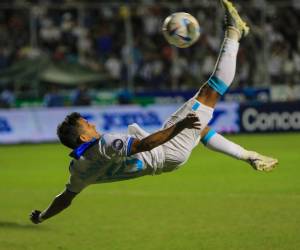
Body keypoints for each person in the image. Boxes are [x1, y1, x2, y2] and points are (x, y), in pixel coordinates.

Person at [30, 0, 278, 224]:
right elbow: (145, 145)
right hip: (164, 149)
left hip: (166, 160)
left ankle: (249, 156)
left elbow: (65, 198)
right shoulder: (106, 143)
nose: (92, 124)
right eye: (86, 124)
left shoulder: (78, 170)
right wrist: (178, 127)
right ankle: (233, 32)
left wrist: (42, 216)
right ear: (83, 137)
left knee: (200, 129)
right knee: (210, 91)